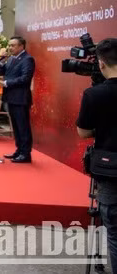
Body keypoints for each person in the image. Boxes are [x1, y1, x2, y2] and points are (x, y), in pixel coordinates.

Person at [76, 38, 117, 269]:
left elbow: (83, 132)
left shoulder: (94, 94)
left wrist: (102, 129)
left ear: (101, 63)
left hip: (110, 170)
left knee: (114, 233)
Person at [0, 36, 36, 163]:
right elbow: (1, 72)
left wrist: (7, 83)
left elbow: (25, 78)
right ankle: (19, 150)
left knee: (23, 126)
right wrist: (2, 62)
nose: (10, 47)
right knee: (16, 126)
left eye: (13, 45)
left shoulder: (27, 59)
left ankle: (25, 154)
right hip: (11, 98)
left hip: (20, 98)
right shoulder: (11, 58)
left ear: (21, 46)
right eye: (9, 45)